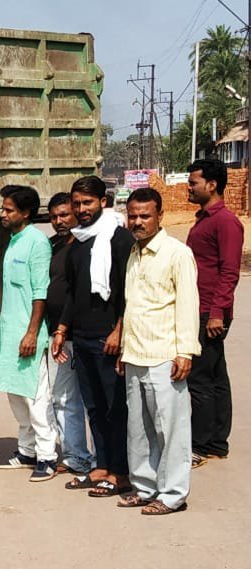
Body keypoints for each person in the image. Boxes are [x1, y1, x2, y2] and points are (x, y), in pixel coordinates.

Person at [117, 188, 200, 515]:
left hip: (165, 354)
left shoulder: (176, 254)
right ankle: (145, 486)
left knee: (171, 429)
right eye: (133, 215)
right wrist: (124, 349)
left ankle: (172, 494)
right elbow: (132, 307)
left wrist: (185, 352)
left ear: (160, 217)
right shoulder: (134, 255)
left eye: (145, 216)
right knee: (138, 429)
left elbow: (188, 306)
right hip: (136, 352)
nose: (137, 222)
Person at [51, 175, 134, 499]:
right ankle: (101, 465)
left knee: (115, 408)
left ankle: (121, 472)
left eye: (87, 203)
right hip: (82, 338)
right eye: (77, 203)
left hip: (109, 338)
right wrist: (62, 330)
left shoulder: (119, 239)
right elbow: (73, 293)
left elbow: (129, 292)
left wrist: (119, 329)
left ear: (103, 202)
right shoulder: (78, 242)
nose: (81, 209)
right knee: (94, 408)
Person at [0, 185, 59, 481]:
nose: (2, 214)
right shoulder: (13, 241)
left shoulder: (37, 242)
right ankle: (26, 451)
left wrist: (32, 332)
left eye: (9, 210)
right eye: (3, 208)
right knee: (16, 394)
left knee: (35, 395)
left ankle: (47, 456)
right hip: (10, 331)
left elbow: (40, 292)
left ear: (26, 213)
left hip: (28, 332)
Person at [184, 158, 244, 466]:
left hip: (210, 310)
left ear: (212, 185)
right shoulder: (204, 218)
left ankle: (200, 444)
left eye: (194, 182)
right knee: (216, 375)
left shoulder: (225, 222)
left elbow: (230, 271)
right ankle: (217, 443)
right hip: (203, 306)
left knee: (200, 379)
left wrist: (218, 312)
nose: (189, 187)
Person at [45, 193, 94, 476]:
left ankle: (101, 460)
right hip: (59, 336)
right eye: (54, 217)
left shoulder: (86, 245)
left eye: (64, 214)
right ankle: (76, 456)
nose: (59, 221)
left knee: (93, 401)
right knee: (62, 397)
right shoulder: (53, 245)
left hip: (82, 332)